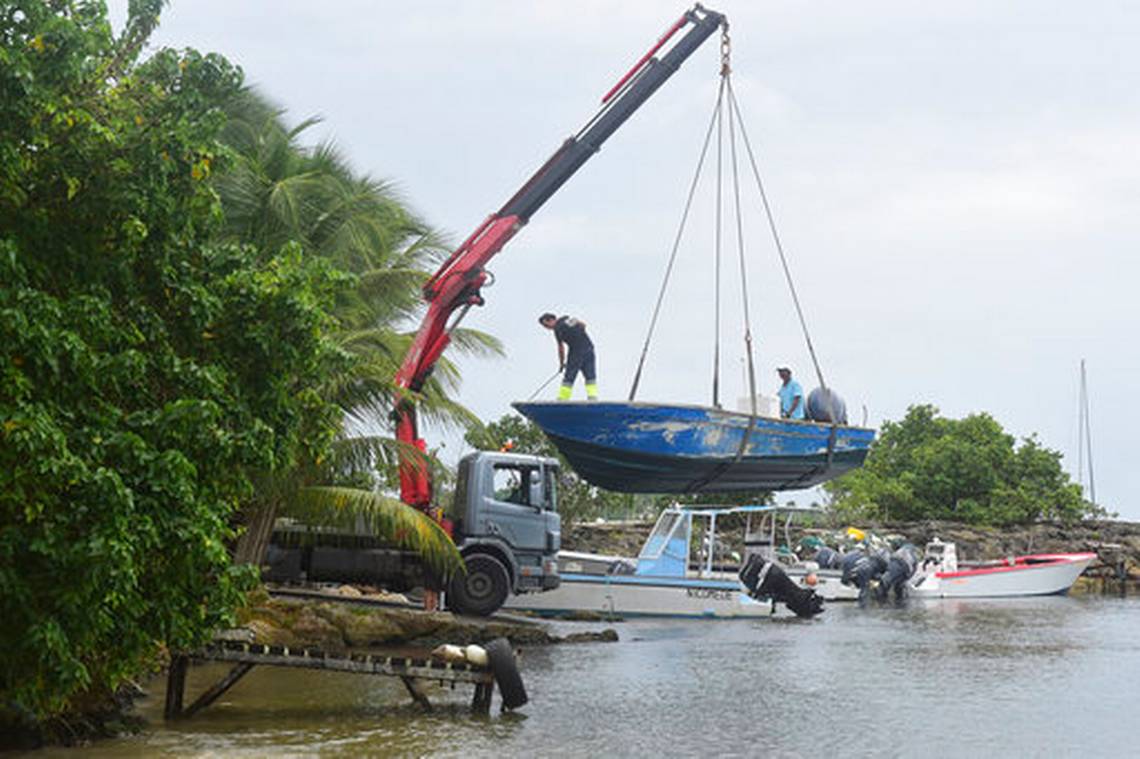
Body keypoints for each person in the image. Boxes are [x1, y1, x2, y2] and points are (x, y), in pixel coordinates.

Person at [539, 312, 597, 400]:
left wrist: (561, 364)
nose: (547, 328)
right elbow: (583, 325)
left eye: (546, 325)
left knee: (569, 376)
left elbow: (560, 348)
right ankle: (593, 398)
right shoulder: (568, 319)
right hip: (589, 348)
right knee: (590, 375)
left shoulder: (557, 329)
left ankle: (563, 398)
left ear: (551, 320)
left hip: (576, 351)